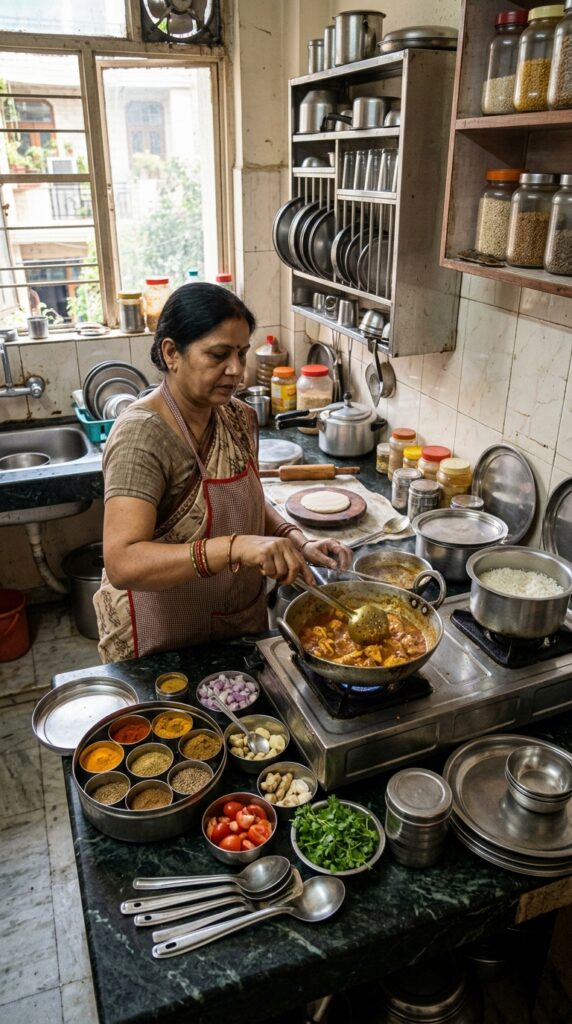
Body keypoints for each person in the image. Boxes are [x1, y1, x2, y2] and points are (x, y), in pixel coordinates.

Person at [94, 283, 352, 663]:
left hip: (235, 623)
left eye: (241, 354)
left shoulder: (235, 415)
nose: (236, 370)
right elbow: (123, 562)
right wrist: (236, 548)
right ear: (171, 353)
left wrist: (296, 541)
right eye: (218, 355)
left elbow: (248, 503)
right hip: (161, 639)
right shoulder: (143, 436)